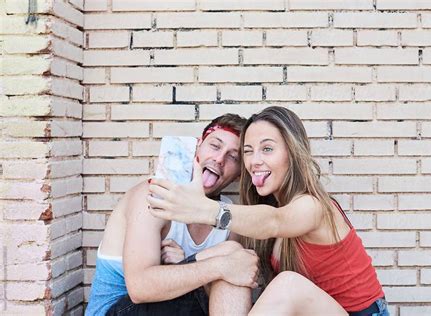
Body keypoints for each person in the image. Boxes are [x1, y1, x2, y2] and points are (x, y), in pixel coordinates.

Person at [148, 106, 389, 316]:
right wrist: (186, 264)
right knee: (231, 257)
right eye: (248, 151)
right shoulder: (265, 216)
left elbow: (274, 221)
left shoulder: (313, 207)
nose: (254, 161)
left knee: (288, 285)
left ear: (292, 154)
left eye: (267, 149)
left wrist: (204, 209)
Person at [86, 113, 259, 316]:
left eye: (233, 157)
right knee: (231, 255)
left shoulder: (227, 219)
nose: (219, 159)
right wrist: (219, 266)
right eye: (215, 146)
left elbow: (221, 296)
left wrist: (185, 262)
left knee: (233, 255)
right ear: (198, 147)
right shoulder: (155, 194)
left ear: (239, 173)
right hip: (115, 311)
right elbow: (139, 288)